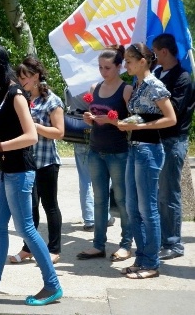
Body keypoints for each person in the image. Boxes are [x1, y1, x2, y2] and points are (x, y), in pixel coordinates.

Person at [0, 43, 62, 306]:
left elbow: (30, 137)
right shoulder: (2, 92)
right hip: (9, 170)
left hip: (21, 171)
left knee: (26, 229)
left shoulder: (16, 93)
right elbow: (10, 133)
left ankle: (52, 285)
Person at [117, 43, 176, 279]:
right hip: (135, 148)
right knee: (132, 207)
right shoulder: (137, 84)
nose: (125, 64)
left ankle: (151, 262)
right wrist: (127, 123)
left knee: (147, 208)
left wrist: (141, 125)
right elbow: (141, 115)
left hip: (149, 150)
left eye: (129, 60)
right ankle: (142, 258)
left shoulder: (154, 85)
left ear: (143, 61)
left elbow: (170, 118)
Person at [76, 46, 133, 262]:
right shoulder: (95, 87)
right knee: (99, 200)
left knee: (122, 199)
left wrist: (112, 121)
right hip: (95, 151)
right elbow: (93, 115)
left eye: (107, 67)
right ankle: (98, 244)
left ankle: (126, 244)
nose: (103, 71)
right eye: (100, 67)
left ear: (119, 67)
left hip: (118, 152)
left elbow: (133, 123)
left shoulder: (126, 90)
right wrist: (88, 119)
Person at [8, 55, 64, 265]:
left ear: (37, 76)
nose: (23, 81)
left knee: (50, 206)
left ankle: (54, 248)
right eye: (20, 77)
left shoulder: (52, 100)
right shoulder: (22, 98)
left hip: (47, 161)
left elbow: (59, 132)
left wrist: (34, 126)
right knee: (30, 208)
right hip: (26, 161)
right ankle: (28, 248)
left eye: (26, 77)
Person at [152, 33, 194, 260]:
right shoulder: (158, 73)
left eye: (156, 53)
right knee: (158, 194)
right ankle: (161, 238)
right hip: (155, 140)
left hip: (173, 140)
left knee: (169, 193)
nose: (154, 57)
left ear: (164, 52)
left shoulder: (182, 77)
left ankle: (173, 244)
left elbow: (173, 111)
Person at [64, 89, 115, 232]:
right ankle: (105, 216)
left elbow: (70, 106)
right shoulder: (97, 86)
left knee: (84, 179)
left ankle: (89, 219)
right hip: (96, 134)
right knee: (104, 177)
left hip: (78, 134)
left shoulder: (70, 86)